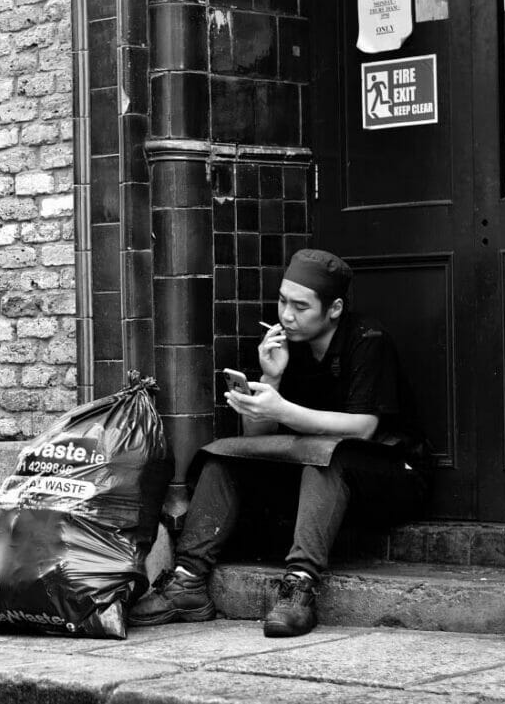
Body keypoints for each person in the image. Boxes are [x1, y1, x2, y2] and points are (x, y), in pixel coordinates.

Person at [129, 248, 429, 637]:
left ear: (334, 308)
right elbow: (260, 442)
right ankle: (188, 580)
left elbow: (362, 430)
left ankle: (300, 587)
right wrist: (271, 379)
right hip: (316, 480)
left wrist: (282, 408)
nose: (287, 315)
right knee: (227, 456)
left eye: (301, 306)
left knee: (330, 457)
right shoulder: (289, 345)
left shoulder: (368, 340)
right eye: (283, 301)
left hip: (391, 475)